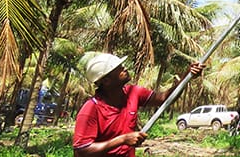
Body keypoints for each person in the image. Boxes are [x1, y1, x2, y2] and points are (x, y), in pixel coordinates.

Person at [73, 53, 205, 157]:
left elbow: (164, 98)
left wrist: (187, 77)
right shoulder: (91, 109)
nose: (124, 68)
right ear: (106, 80)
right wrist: (122, 140)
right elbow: (81, 150)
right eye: (118, 68)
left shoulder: (133, 93)